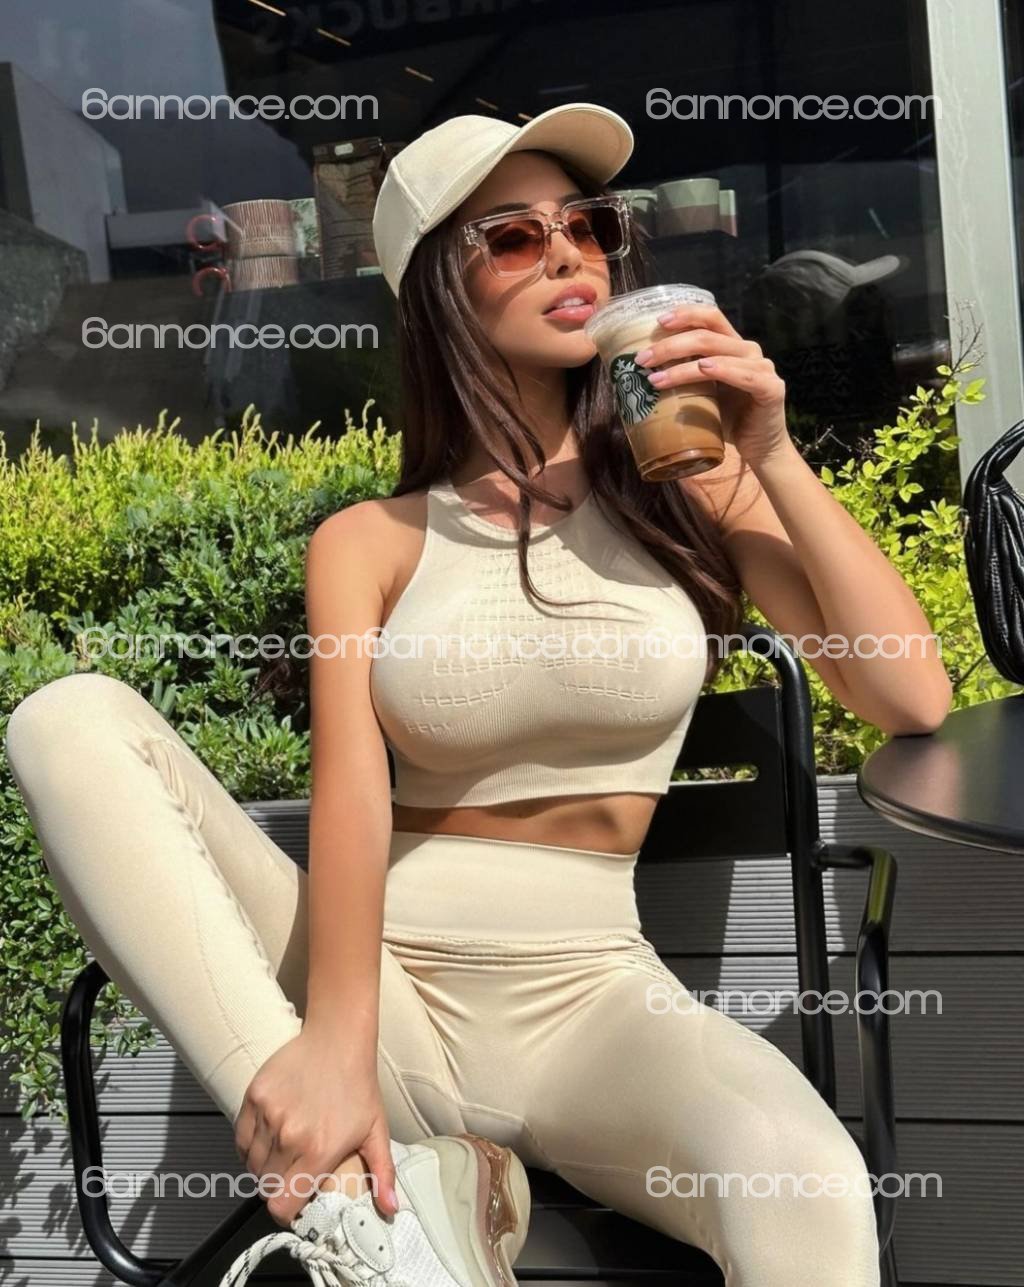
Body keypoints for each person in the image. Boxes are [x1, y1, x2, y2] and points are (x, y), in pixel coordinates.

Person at [5, 102, 951, 1287]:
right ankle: (361, 1206)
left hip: (594, 1008)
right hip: (385, 999)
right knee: (65, 720)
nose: (567, 254)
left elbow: (908, 694)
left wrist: (769, 451)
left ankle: (421, 1202)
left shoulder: (688, 489)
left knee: (805, 1187)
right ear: (439, 290)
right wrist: (335, 1046)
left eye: (588, 226)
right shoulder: (369, 541)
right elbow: (352, 797)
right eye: (513, 236)